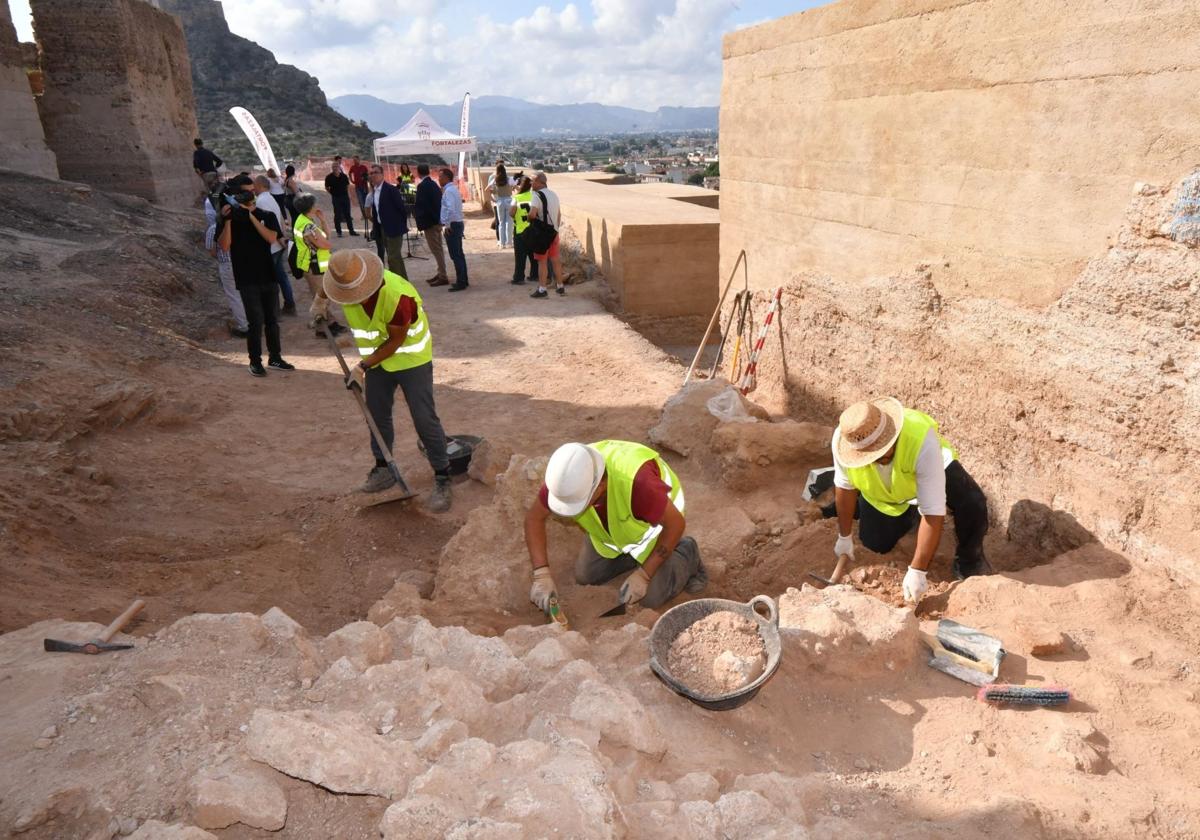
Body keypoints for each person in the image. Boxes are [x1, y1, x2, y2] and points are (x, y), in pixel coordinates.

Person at [324, 249, 453, 513]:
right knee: (376, 413)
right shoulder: (344, 283)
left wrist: (362, 367)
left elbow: (396, 341)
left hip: (411, 359)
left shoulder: (397, 296)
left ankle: (442, 476)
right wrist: (319, 302)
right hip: (377, 361)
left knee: (423, 417)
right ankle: (383, 469)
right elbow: (329, 287)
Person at [827, 397, 991, 604]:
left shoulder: (921, 441)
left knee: (972, 502)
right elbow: (844, 487)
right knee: (876, 544)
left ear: (891, 437)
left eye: (880, 452)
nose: (875, 458)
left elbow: (933, 510)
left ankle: (969, 560)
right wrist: (844, 536)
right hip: (886, 495)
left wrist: (918, 571)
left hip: (930, 471)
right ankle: (908, 517)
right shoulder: (846, 441)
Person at [525, 441, 706, 618]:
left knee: (651, 597)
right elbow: (533, 519)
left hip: (655, 530)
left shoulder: (638, 483)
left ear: (600, 487)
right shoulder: (568, 479)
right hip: (612, 535)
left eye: (578, 504)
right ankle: (631, 557)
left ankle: (686, 553)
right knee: (586, 576)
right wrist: (541, 575)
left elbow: (676, 524)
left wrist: (644, 574)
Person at [217, 181, 294, 376]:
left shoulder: (266, 216)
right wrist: (227, 221)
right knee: (255, 322)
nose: (248, 199)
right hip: (246, 278)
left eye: (250, 196)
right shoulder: (230, 220)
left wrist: (251, 217)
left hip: (267, 274)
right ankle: (255, 361)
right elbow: (225, 246)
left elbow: (270, 238)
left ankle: (275, 357)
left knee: (272, 320)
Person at [291, 193, 347, 339]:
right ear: (310, 207)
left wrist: (322, 220)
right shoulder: (307, 225)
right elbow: (326, 243)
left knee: (324, 297)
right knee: (320, 299)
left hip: (316, 266)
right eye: (315, 204)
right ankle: (322, 329)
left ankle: (331, 323)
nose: (317, 205)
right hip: (313, 267)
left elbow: (327, 236)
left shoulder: (305, 220)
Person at [204, 194, 248, 338]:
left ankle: (244, 326)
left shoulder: (213, 228)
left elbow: (212, 251)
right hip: (244, 262)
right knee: (248, 293)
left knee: (234, 296)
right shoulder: (242, 224)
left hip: (227, 265)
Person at [251, 175, 297, 315]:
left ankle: (274, 311)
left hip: (270, 246)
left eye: (254, 185)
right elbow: (280, 221)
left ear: (259, 185)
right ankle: (289, 304)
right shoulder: (271, 198)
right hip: (277, 244)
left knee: (270, 281)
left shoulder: (260, 202)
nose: (253, 188)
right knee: (281, 277)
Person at [367, 163, 409, 280]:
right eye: (371, 173)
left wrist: (400, 225)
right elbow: (376, 212)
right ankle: (403, 281)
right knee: (395, 257)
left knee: (392, 257)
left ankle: (396, 282)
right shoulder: (374, 191)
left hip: (394, 228)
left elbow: (402, 209)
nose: (373, 175)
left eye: (375, 172)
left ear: (382, 174)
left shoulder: (391, 189)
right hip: (382, 228)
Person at [527, 170, 564, 298]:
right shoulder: (554, 195)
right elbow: (559, 214)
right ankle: (560, 286)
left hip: (542, 234)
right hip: (554, 232)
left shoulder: (536, 196)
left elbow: (532, 214)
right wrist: (556, 229)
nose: (530, 183)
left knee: (542, 262)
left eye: (532, 181)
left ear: (538, 182)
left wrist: (528, 218)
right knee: (555, 260)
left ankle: (542, 289)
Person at [510, 175, 549, 286]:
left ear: (521, 185)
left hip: (520, 230)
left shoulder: (517, 198)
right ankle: (534, 275)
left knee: (520, 256)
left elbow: (512, 212)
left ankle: (519, 277)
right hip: (533, 229)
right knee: (534, 255)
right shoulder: (535, 196)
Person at [414, 163, 449, 286]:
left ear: (418, 173)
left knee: (436, 250)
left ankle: (443, 275)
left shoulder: (423, 186)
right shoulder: (433, 184)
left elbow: (423, 206)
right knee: (438, 248)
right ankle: (441, 272)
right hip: (436, 221)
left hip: (431, 223)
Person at [437, 167, 468, 292]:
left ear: (446, 178)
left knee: (456, 255)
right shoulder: (452, 189)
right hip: (456, 223)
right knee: (459, 254)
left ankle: (461, 282)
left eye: (440, 177)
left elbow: (450, 209)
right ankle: (463, 280)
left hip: (453, 225)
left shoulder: (448, 191)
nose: (439, 179)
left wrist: (448, 225)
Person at [324, 156, 357, 237]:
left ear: (339, 167)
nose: (335, 168)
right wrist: (332, 193)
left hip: (345, 197)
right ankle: (339, 232)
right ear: (332, 168)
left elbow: (347, 186)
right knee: (337, 215)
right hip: (336, 198)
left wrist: (348, 195)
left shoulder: (344, 176)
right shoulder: (329, 177)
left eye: (336, 166)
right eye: (333, 167)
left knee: (347, 214)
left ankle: (351, 231)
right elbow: (326, 187)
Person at [484, 163, 514, 249]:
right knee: (509, 222)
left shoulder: (495, 180)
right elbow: (516, 185)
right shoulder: (509, 179)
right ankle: (509, 242)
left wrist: (492, 196)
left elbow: (487, 189)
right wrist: (511, 189)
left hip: (499, 201)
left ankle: (502, 243)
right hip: (508, 200)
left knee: (501, 223)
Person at [349, 155, 370, 223]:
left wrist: (365, 178)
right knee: (361, 202)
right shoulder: (353, 167)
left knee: (366, 201)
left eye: (355, 160)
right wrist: (351, 180)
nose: (354, 161)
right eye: (353, 160)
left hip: (364, 187)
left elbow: (368, 175)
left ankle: (368, 214)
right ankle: (364, 215)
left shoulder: (363, 167)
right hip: (357, 187)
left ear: (359, 160)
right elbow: (350, 173)